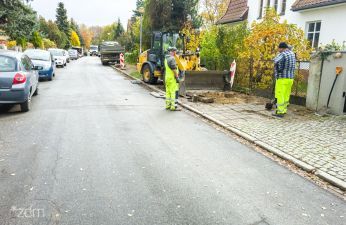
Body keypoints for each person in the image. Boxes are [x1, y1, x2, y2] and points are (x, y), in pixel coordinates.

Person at [273, 42, 296, 118]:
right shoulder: (292, 54)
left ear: (282, 48)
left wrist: (276, 58)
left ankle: (280, 112)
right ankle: (284, 110)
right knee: (286, 95)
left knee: (280, 95)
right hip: (290, 79)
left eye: (279, 48)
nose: (278, 50)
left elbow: (275, 60)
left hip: (282, 78)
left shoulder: (283, 54)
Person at [165, 47, 181, 111]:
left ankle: (168, 105)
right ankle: (173, 107)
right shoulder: (172, 59)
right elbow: (174, 70)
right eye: (175, 52)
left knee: (168, 92)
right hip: (172, 78)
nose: (175, 53)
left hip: (167, 78)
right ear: (173, 52)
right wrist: (177, 77)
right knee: (173, 92)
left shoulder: (166, 59)